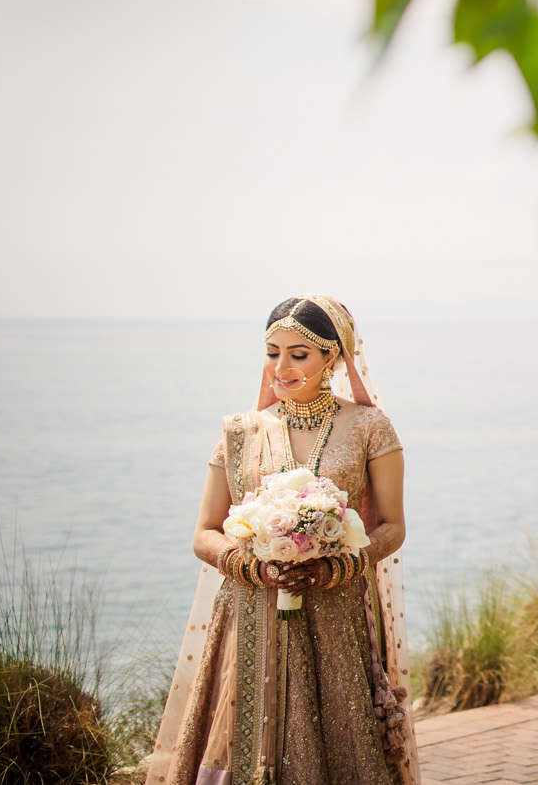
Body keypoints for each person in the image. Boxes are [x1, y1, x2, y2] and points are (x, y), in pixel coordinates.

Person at [143, 296, 419, 785]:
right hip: (251, 612)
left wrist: (335, 566)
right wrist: (257, 568)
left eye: (298, 354)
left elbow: (393, 526)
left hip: (337, 611)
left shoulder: (369, 427)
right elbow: (204, 533)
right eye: (272, 352)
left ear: (333, 356)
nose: (281, 366)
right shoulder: (240, 432)